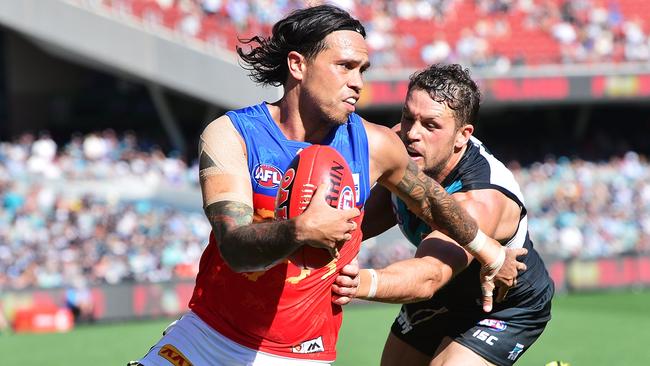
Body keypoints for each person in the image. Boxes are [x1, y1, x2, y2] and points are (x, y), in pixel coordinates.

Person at [132, 6, 522, 366]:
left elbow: (435, 203)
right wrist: (301, 229)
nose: (357, 83)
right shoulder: (232, 135)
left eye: (362, 70)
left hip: (300, 355)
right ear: (298, 65)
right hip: (206, 336)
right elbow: (234, 248)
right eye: (345, 67)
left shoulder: (375, 146)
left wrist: (490, 252)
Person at [333, 64, 554, 366]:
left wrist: (352, 282)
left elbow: (429, 275)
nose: (412, 133)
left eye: (431, 125)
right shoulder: (401, 145)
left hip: (503, 305)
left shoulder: (480, 199)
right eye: (408, 117)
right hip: (443, 295)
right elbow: (371, 215)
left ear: (463, 136)